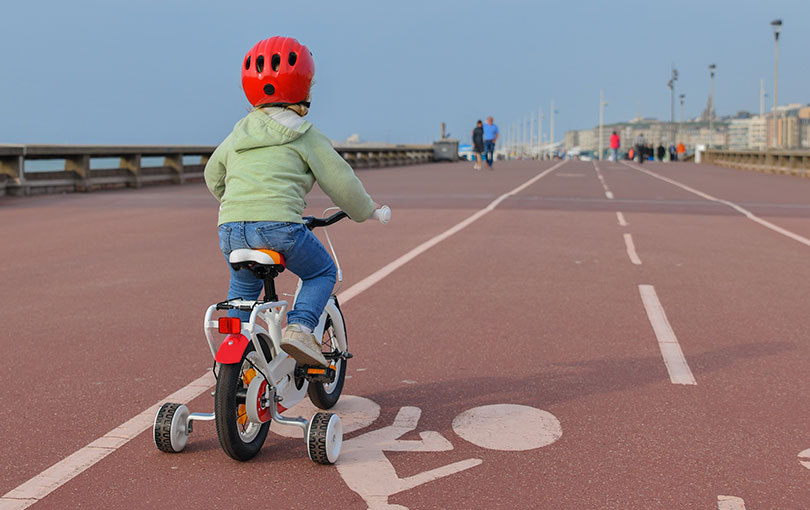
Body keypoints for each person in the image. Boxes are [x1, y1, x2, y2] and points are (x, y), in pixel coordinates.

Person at [204, 36, 378, 368]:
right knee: (322, 273)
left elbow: (214, 174)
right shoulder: (306, 135)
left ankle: (236, 352)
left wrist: (237, 204)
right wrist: (364, 210)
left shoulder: (238, 132)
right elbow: (341, 182)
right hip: (279, 228)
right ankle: (299, 329)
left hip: (230, 231)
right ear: (304, 87)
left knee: (243, 295)